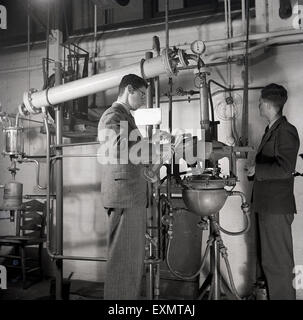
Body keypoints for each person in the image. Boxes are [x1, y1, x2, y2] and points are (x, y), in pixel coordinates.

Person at [98, 74, 169, 300]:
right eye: (141, 94)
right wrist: (154, 144)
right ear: (129, 89)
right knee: (124, 262)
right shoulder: (113, 114)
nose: (144, 100)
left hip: (130, 195)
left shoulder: (126, 117)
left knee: (130, 261)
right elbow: (116, 146)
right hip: (124, 196)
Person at [248, 83, 300, 300]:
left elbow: (286, 168)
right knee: (269, 262)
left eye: (260, 101)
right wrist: (255, 171)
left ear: (268, 104)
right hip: (267, 205)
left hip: (276, 208)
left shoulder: (286, 131)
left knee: (278, 263)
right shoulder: (272, 130)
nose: (258, 105)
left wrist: (256, 169)